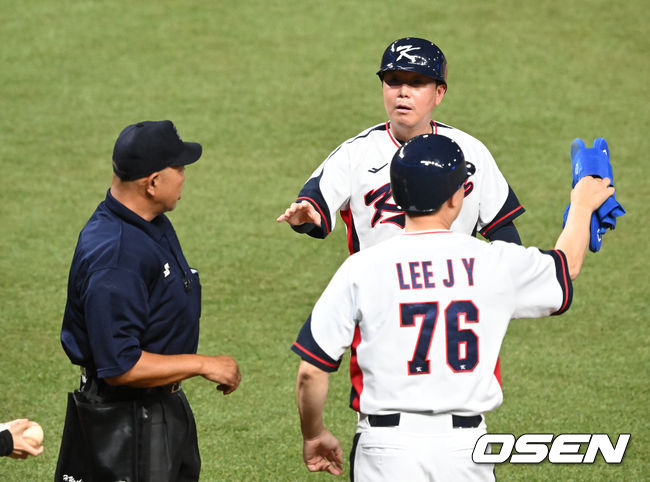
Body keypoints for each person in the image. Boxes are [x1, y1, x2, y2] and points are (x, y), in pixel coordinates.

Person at [291, 134, 615, 480]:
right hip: (465, 451)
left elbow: (312, 371)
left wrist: (314, 434)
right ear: (457, 198)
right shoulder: (494, 263)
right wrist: (582, 205)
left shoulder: (362, 268)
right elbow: (567, 266)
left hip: (385, 449)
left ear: (397, 197)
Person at [55, 120, 241, 482]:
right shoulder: (116, 257)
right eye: (179, 168)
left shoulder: (146, 220)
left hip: (158, 407)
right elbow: (120, 366)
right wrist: (202, 364)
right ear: (152, 182)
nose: (185, 176)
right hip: (126, 425)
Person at [278, 37, 524, 254]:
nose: (403, 92)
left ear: (439, 93)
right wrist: (306, 217)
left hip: (451, 292)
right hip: (382, 295)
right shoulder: (355, 154)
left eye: (417, 82)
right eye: (394, 81)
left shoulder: (470, 151)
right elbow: (314, 203)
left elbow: (501, 227)